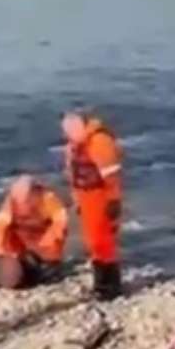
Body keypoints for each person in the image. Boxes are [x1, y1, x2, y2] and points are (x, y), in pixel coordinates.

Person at [0, 174, 68, 289]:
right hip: (18, 248)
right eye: (18, 199)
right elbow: (0, 225)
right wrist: (0, 251)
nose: (22, 202)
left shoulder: (48, 199)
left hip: (43, 245)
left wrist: (48, 241)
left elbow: (60, 221)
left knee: (49, 272)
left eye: (26, 198)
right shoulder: (11, 202)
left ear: (35, 191)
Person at [62, 110, 125, 300]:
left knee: (103, 241)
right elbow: (72, 175)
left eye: (71, 131)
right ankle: (100, 283)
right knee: (92, 241)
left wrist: (113, 200)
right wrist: (76, 199)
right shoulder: (73, 146)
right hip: (86, 197)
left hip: (101, 196)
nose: (68, 135)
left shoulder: (100, 142)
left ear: (81, 126)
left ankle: (110, 287)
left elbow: (111, 174)